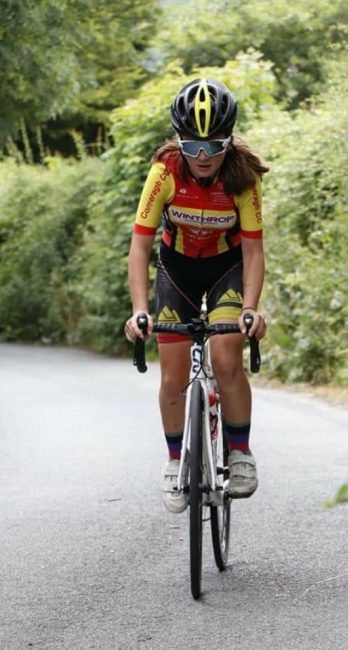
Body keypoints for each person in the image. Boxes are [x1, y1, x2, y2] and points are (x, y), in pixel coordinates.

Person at [125, 78, 268, 513]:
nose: (203, 156)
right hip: (177, 270)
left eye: (213, 144)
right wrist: (139, 311)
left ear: (229, 141)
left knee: (226, 359)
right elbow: (140, 245)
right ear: (179, 140)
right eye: (192, 145)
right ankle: (174, 461)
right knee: (171, 376)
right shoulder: (165, 171)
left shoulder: (241, 177)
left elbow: (254, 250)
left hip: (225, 269)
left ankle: (239, 452)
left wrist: (249, 309)